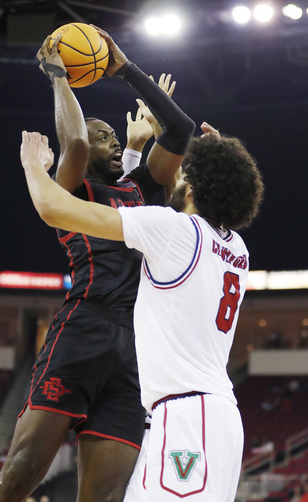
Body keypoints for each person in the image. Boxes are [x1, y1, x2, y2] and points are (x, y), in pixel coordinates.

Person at [0, 28, 194, 502]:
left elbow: (179, 130)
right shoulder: (74, 189)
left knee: (102, 497)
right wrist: (59, 78)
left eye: (115, 136)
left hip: (137, 348)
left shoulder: (142, 188)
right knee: (18, 477)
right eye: (106, 137)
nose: (113, 142)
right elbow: (74, 142)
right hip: (84, 327)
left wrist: (126, 69)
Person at [18, 109, 264, 501]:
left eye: (186, 175)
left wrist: (34, 166)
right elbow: (144, 196)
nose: (177, 176)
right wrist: (136, 148)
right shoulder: (235, 247)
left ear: (195, 192)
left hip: (188, 416)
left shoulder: (175, 231)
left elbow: (54, 208)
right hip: (204, 415)